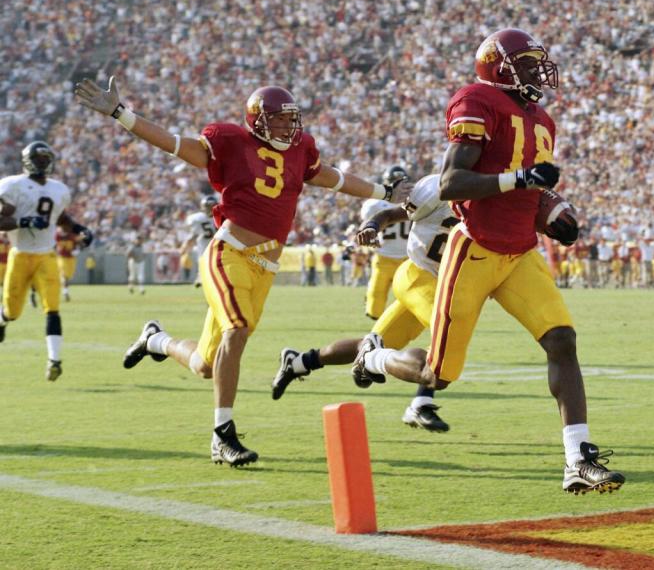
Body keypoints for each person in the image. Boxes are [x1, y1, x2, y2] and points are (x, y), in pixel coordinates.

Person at [337, 29, 623, 494]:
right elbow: (452, 183)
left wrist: (553, 212)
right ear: (500, 66)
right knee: (439, 374)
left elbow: (530, 187)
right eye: (528, 63)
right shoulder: (476, 100)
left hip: (520, 251)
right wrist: (521, 179)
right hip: (475, 249)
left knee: (563, 341)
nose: (538, 71)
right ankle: (376, 356)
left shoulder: (542, 120)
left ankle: (578, 458)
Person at [74, 77, 410, 467]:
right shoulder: (230, 141)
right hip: (229, 252)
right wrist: (121, 113)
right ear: (259, 120)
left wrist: (383, 193)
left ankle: (156, 341)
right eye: (281, 121)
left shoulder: (301, 149)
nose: (289, 128)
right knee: (237, 330)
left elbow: (332, 178)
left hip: (265, 266)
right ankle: (222, 435)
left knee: (205, 363)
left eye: (291, 120)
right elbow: (175, 144)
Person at [273, 173, 457, 432]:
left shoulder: (493, 197)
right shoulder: (441, 189)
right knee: (448, 333)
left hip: (443, 285)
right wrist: (370, 226)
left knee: (371, 345)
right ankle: (421, 403)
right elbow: (390, 215)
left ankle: (299, 362)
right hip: (420, 276)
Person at [0, 141, 94, 381]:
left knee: (52, 308)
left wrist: (80, 229)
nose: (43, 163)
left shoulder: (58, 189)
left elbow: (61, 218)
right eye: (39, 158)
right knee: (12, 311)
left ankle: (54, 360)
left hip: (46, 255)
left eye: (46, 158)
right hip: (20, 253)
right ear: (28, 160)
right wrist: (25, 222)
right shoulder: (13, 185)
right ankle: (3, 320)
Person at [360, 165, 410, 319]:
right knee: (376, 296)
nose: (398, 186)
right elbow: (366, 225)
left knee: (409, 294)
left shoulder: (416, 200)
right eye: (394, 182)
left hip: (409, 258)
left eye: (401, 182)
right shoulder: (374, 204)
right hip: (383, 256)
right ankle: (376, 326)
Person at [184, 194, 217, 286]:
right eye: (208, 206)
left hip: (205, 244)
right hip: (214, 244)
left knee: (204, 264)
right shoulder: (221, 216)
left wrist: (186, 245)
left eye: (211, 206)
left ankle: (201, 277)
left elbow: (193, 234)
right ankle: (202, 278)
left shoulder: (197, 218)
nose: (210, 208)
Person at [55, 226, 79, 302]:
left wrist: (77, 250)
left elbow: (79, 244)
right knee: (64, 275)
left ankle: (65, 290)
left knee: (68, 276)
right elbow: (52, 245)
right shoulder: (57, 236)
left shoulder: (72, 235)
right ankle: (65, 292)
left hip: (71, 259)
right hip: (61, 258)